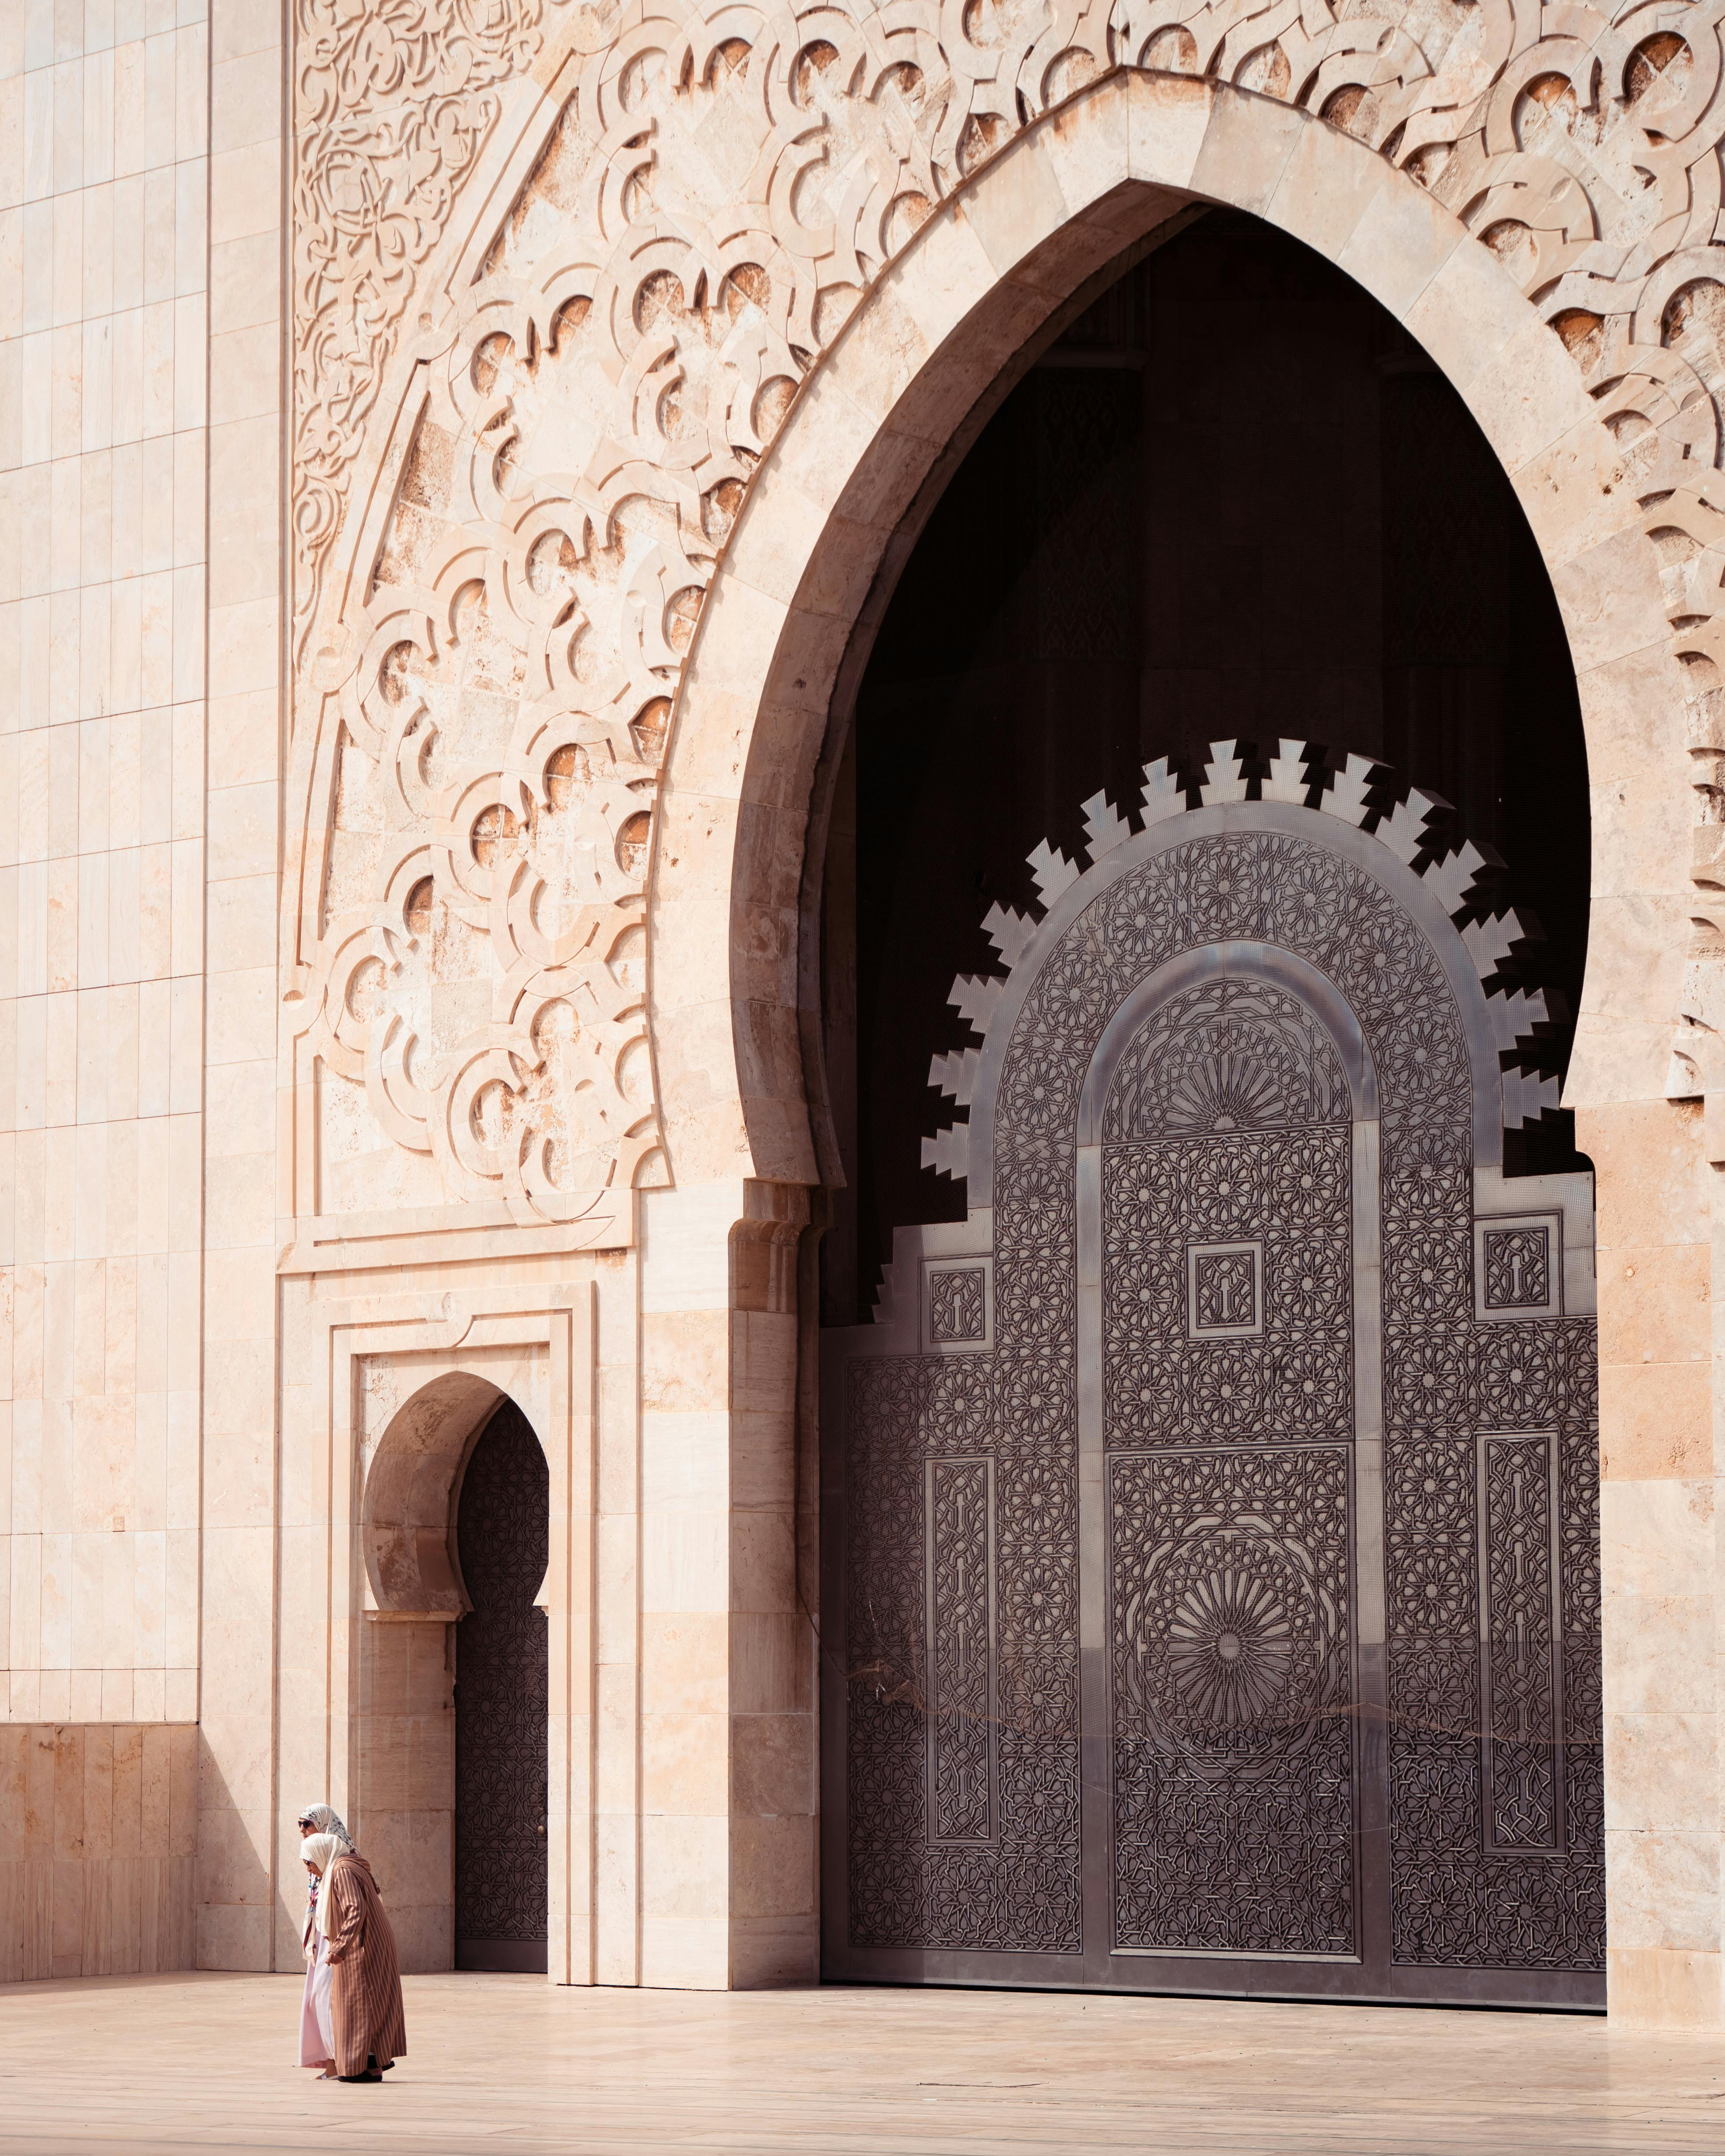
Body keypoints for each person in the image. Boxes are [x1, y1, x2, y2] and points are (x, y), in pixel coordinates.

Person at [299, 1828, 407, 2083]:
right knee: (368, 2004)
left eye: (309, 1862)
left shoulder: (341, 1870)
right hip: (368, 1943)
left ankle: (359, 2067)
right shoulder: (347, 1865)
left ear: (321, 1855)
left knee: (355, 2004)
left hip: (362, 1945)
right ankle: (371, 2067)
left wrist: (339, 1947)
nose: (309, 1869)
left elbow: (354, 1909)